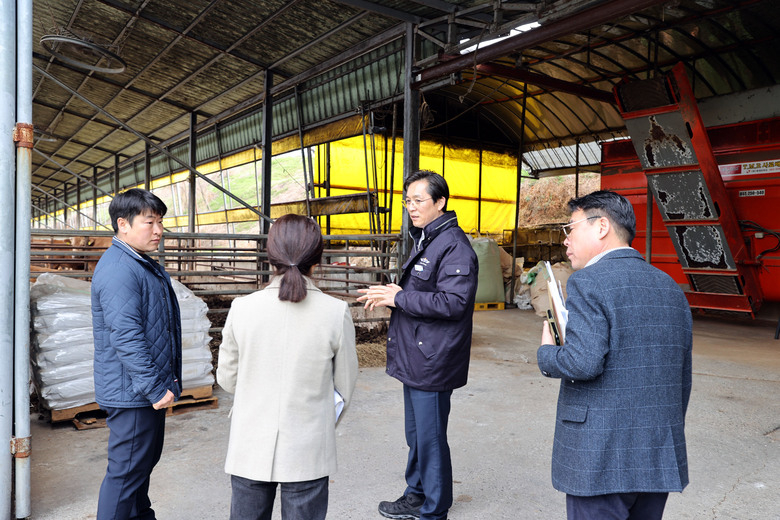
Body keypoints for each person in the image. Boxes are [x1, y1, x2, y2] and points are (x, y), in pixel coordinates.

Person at [537, 190, 693, 520]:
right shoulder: (670, 287)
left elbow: (583, 362)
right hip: (657, 450)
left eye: (571, 228)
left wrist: (548, 352)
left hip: (600, 454)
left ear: (601, 226)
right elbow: (682, 375)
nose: (566, 241)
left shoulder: (588, 282)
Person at [217, 214, 359, 520]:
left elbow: (227, 378)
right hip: (308, 446)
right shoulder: (336, 312)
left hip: (250, 442)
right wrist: (318, 418)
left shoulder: (242, 308)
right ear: (317, 259)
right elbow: (344, 387)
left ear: (271, 257)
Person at [358, 170, 479, 520]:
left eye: (418, 200)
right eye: (407, 201)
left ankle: (434, 508)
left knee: (429, 436)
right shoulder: (427, 237)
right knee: (417, 434)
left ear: (440, 202)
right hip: (418, 354)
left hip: (434, 358)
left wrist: (400, 298)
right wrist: (396, 297)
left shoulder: (454, 245)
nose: (411, 207)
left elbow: (455, 303)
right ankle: (416, 493)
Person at [91, 188, 182, 520]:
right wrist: (156, 388)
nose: (158, 230)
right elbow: (126, 337)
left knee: (139, 469)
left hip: (141, 390)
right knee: (126, 473)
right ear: (123, 224)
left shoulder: (138, 262)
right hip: (133, 393)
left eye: (160, 222)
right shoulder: (119, 269)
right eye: (149, 222)